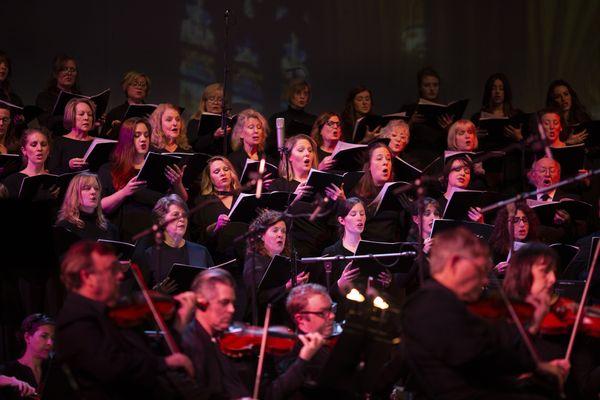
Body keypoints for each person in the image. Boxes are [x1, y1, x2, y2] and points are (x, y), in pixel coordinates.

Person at [401, 227, 569, 399]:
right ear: (455, 263)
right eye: (480, 270)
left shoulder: (447, 303)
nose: (485, 280)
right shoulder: (432, 305)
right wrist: (537, 366)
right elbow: (484, 360)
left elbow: (491, 349)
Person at [55, 241, 195, 399]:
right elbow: (113, 368)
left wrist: (179, 325)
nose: (120, 275)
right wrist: (165, 363)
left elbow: (145, 353)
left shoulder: (110, 314)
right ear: (87, 276)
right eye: (112, 270)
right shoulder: (76, 321)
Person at [180, 268, 326, 400]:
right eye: (224, 302)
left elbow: (268, 394)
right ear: (201, 303)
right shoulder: (188, 344)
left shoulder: (234, 347)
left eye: (233, 302)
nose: (232, 309)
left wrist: (303, 359)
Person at [503, 243, 598, 400]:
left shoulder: (565, 326)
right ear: (523, 274)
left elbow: (582, 385)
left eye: (553, 272)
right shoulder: (503, 324)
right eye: (544, 272)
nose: (553, 279)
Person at [98, 118, 187, 242]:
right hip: (123, 234)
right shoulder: (110, 169)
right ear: (127, 139)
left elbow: (180, 202)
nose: (143, 139)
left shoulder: (157, 166)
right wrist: (124, 192)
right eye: (137, 135)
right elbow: (100, 206)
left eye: (146, 135)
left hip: (154, 236)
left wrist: (178, 184)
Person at [191, 156, 248, 318]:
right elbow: (198, 239)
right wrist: (215, 227)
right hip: (220, 264)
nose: (223, 173)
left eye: (226, 169)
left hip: (245, 265)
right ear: (210, 179)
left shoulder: (243, 198)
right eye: (217, 171)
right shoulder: (204, 202)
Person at [269, 134, 342, 257]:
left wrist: (342, 201)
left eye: (310, 150)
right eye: (301, 150)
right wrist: (294, 199)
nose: (307, 154)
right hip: (296, 250)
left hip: (325, 249)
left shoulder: (323, 183)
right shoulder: (279, 186)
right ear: (290, 157)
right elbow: (273, 222)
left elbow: (335, 222)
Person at [243, 209, 308, 325]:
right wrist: (286, 287)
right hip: (262, 325)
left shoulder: (287, 260)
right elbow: (258, 299)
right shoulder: (254, 262)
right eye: (275, 230)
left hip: (285, 322)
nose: (280, 235)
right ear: (261, 235)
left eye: (283, 231)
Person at [143, 194, 213, 290]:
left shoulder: (200, 251)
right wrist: (157, 292)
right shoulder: (150, 254)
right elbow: (139, 294)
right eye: (176, 215)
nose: (182, 219)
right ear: (161, 221)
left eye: (184, 215)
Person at [351, 142, 411, 242]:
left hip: (391, 251)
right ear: (369, 166)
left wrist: (410, 211)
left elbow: (404, 231)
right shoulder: (356, 193)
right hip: (365, 249)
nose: (385, 162)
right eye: (379, 159)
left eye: (388, 159)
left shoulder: (397, 192)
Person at [0, 314, 54, 400]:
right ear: (27, 337)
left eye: (53, 338)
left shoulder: (53, 370)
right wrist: (11, 381)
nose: (50, 343)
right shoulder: (9, 369)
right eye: (44, 336)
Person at [56, 172, 118, 241]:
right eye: (87, 188)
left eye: (96, 188)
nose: (93, 192)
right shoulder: (66, 227)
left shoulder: (109, 228)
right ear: (75, 193)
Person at [1, 129, 57, 199]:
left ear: (48, 150)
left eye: (43, 145)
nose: (39, 148)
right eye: (34, 145)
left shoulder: (54, 180)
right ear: (24, 150)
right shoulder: (12, 181)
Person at [267, 79, 317, 155]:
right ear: (290, 94)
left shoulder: (313, 120)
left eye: (305, 94)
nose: (302, 97)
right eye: (298, 93)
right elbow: (269, 146)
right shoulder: (277, 118)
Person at [47, 97, 95, 174]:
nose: (86, 118)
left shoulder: (97, 142)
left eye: (90, 115)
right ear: (71, 116)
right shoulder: (59, 142)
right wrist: (69, 166)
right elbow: (52, 171)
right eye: (81, 114)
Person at [35, 54, 81, 136]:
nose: (69, 73)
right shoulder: (45, 97)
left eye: (72, 69)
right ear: (55, 74)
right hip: (56, 140)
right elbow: (47, 122)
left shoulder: (80, 97)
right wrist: (73, 117)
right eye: (64, 69)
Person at [101, 71, 151, 139]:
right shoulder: (115, 113)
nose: (139, 87)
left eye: (143, 85)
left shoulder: (152, 112)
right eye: (135, 84)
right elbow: (104, 138)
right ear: (126, 87)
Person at [489, 202, 540, 268]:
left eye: (525, 220)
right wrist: (496, 272)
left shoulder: (536, 245)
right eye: (515, 220)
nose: (522, 224)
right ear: (505, 224)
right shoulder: (495, 247)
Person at [437, 155, 484, 223]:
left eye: (467, 172)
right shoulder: (437, 205)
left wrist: (481, 223)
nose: (462, 173)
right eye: (457, 170)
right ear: (447, 175)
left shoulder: (474, 206)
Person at [186, 83, 229, 155]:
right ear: (204, 102)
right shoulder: (195, 122)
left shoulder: (228, 123)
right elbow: (195, 146)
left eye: (220, 100)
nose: (215, 103)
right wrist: (214, 135)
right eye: (211, 99)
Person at [228, 108, 272, 177]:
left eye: (259, 127)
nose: (256, 131)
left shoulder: (269, 160)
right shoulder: (232, 160)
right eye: (251, 127)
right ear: (241, 133)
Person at [545, 79, 591, 146]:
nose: (563, 99)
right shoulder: (549, 124)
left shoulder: (583, 117)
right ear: (552, 101)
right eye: (558, 96)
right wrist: (566, 143)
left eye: (566, 94)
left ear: (571, 96)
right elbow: (548, 151)